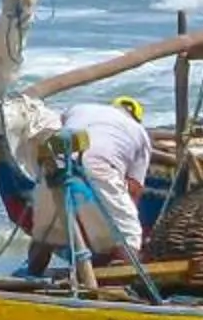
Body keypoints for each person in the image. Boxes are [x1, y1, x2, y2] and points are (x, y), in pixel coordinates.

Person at [23, 95, 155, 274]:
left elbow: (56, 129)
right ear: (137, 118)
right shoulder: (140, 133)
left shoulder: (79, 108)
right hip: (98, 166)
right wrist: (115, 220)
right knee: (127, 237)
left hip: (56, 163)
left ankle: (31, 277)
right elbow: (133, 190)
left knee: (46, 234)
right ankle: (124, 287)